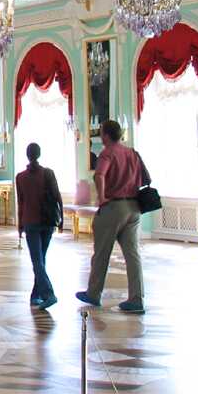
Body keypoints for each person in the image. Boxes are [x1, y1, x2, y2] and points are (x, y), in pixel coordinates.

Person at [77, 120, 147, 314]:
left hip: (114, 207)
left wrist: (102, 197)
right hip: (134, 207)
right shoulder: (131, 153)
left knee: (101, 253)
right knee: (133, 255)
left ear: (106, 135)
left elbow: (100, 175)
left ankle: (93, 293)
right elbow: (141, 178)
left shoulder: (107, 153)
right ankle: (137, 298)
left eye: (101, 132)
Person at [16, 142, 63, 310]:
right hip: (47, 221)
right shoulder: (48, 173)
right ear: (39, 154)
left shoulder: (20, 177)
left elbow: (21, 203)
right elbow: (57, 197)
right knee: (40, 259)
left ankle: (48, 294)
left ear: (27, 155)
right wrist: (62, 219)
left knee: (38, 260)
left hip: (30, 221)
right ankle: (35, 295)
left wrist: (20, 225)